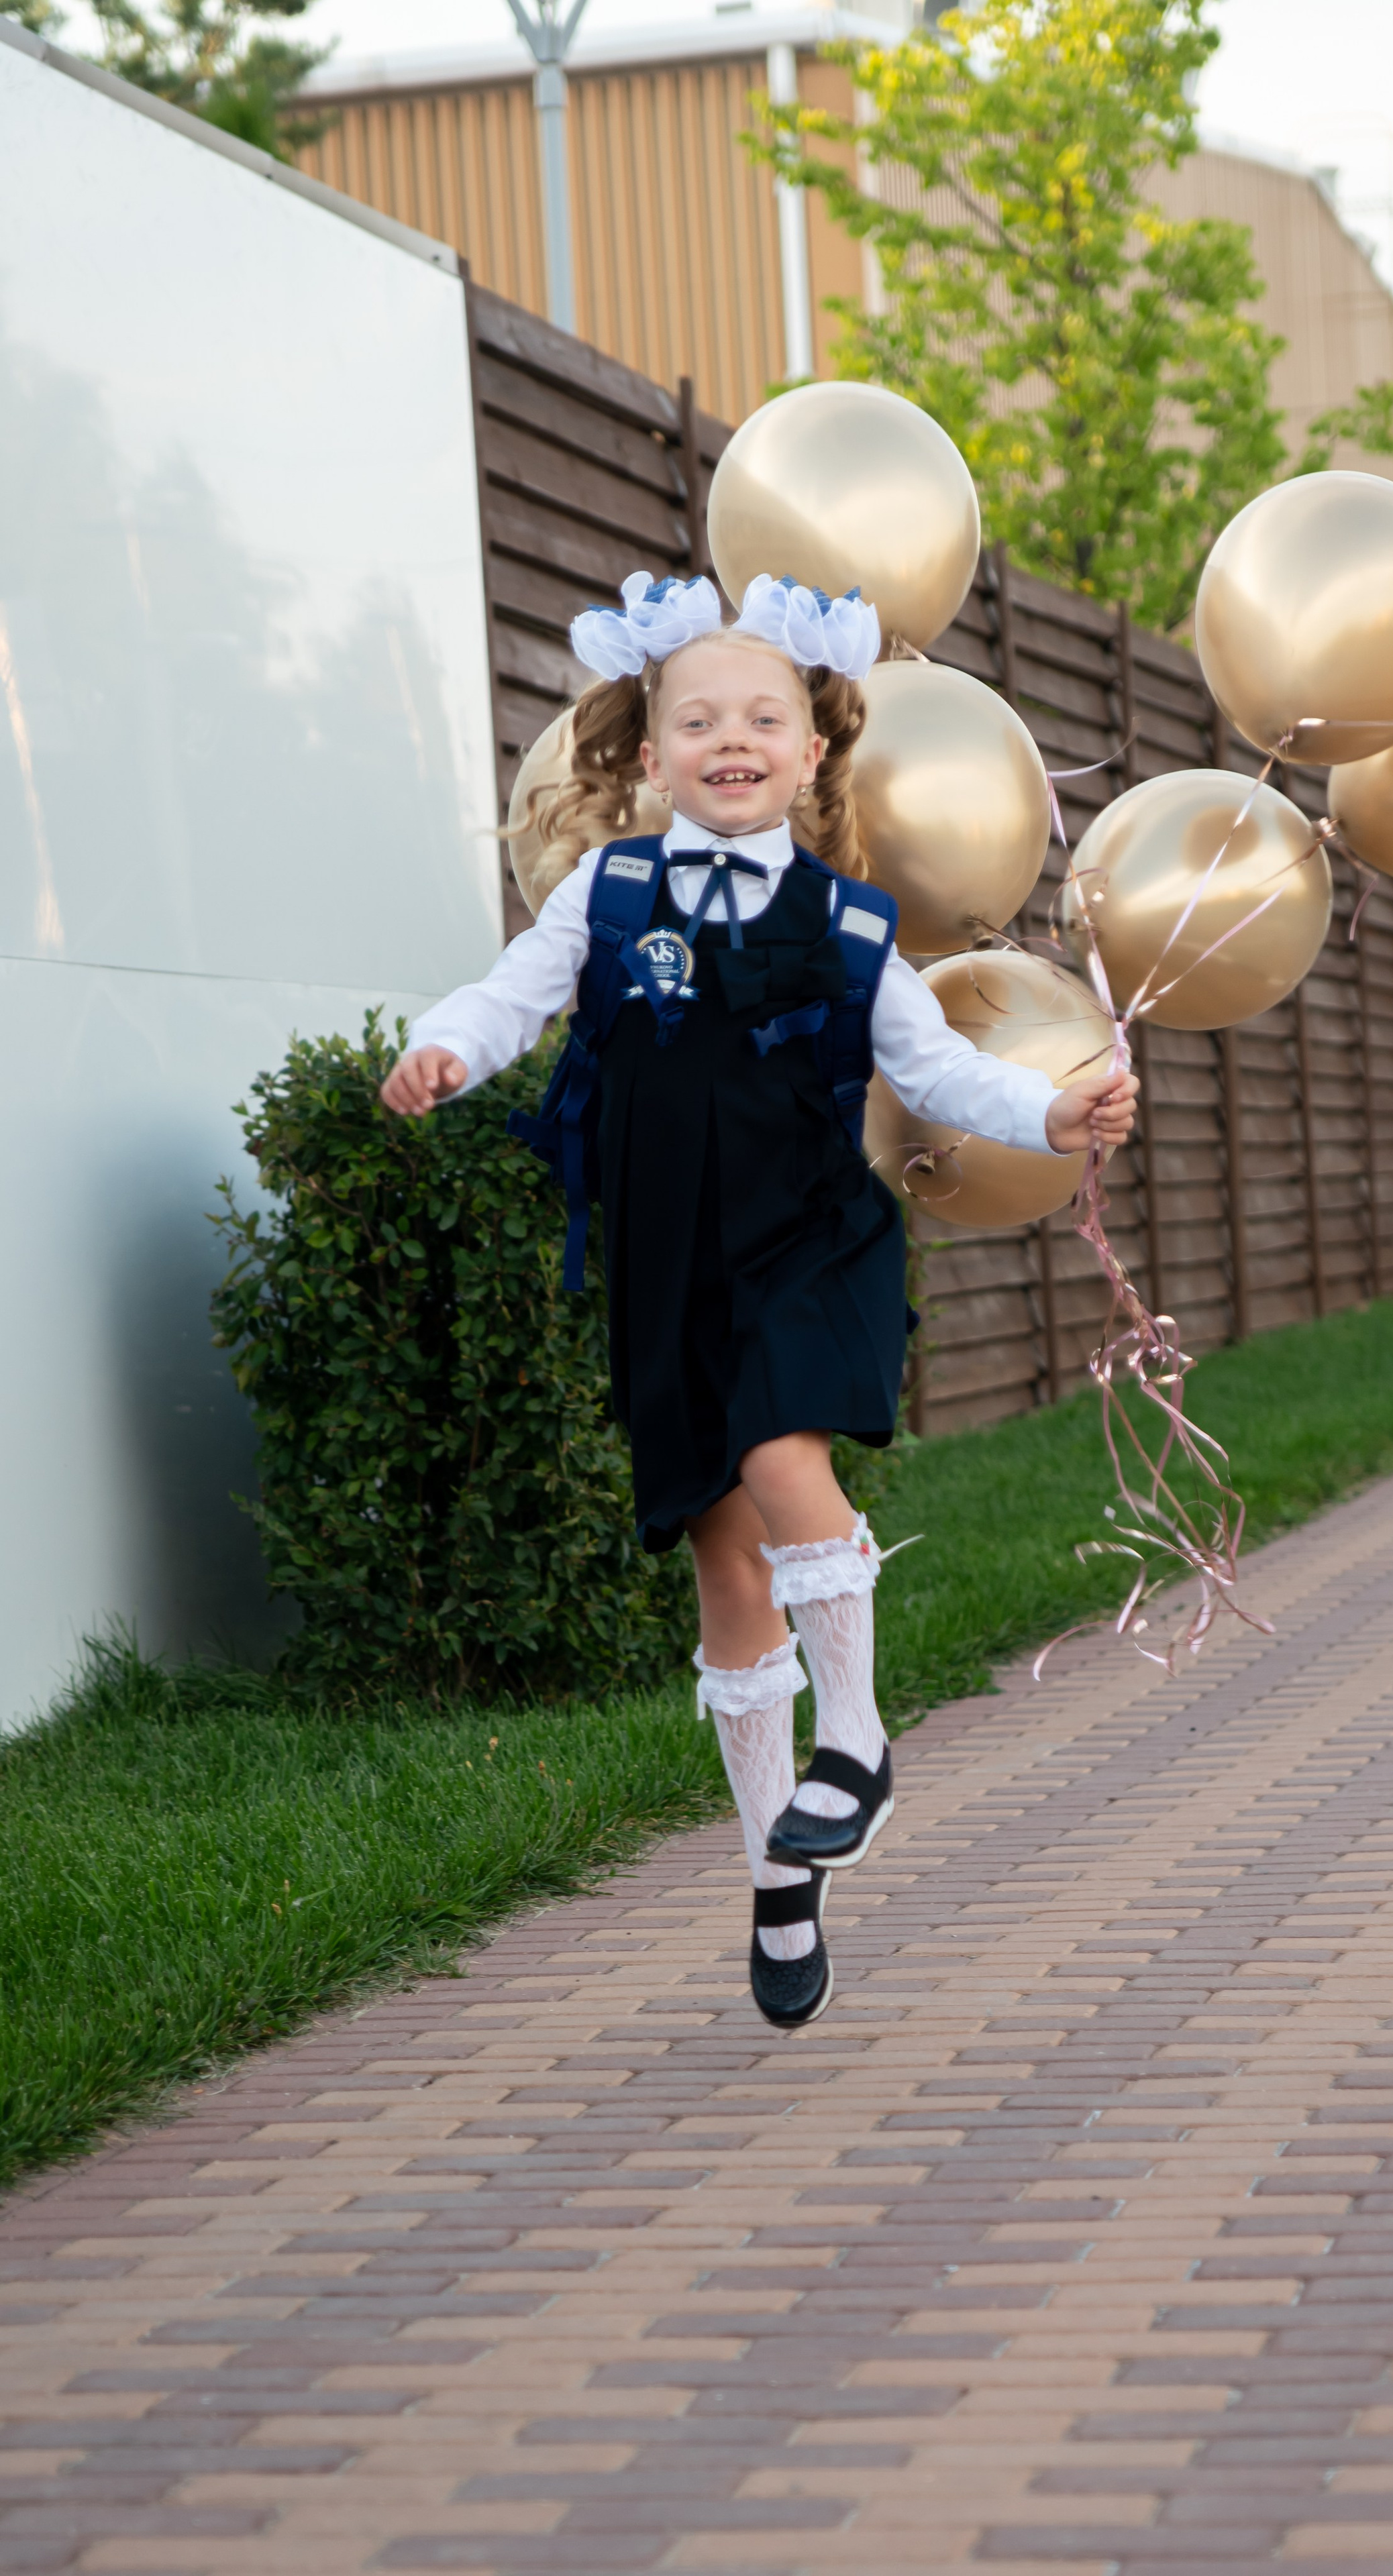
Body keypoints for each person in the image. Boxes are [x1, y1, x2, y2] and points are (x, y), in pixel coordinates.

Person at [381, 570, 1137, 2029]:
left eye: (762, 719)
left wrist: (1045, 1119)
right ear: (649, 748)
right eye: (697, 719)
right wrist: (443, 1055)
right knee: (728, 1572)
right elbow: (502, 1000)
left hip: (807, 1238)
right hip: (668, 1260)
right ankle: (775, 1876)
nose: (731, 739)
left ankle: (855, 1741)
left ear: (811, 748)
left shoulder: (855, 929)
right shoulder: (600, 901)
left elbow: (934, 1072)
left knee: (788, 1455)